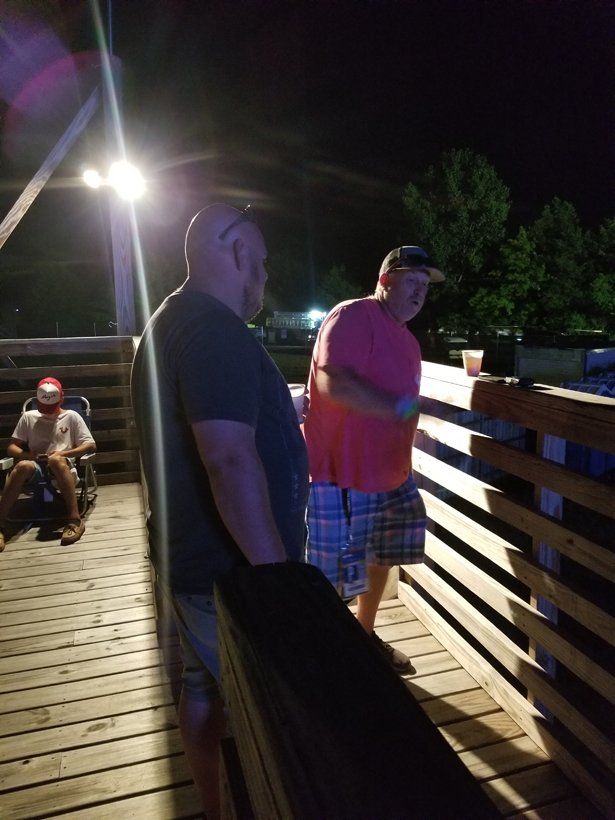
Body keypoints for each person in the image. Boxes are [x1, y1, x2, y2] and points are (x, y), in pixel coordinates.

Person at [131, 203, 309, 818]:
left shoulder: (170, 321)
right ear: (235, 253)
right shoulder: (214, 330)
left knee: (201, 686)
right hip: (230, 576)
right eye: (259, 262)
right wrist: (279, 582)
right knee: (279, 706)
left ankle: (215, 806)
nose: (263, 276)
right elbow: (229, 461)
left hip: (189, 560)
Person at [303, 245, 445, 673]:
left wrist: (411, 425)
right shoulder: (353, 316)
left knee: (383, 555)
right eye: (411, 281)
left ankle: (363, 637)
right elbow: (334, 384)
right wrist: (402, 410)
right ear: (385, 281)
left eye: (425, 286)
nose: (420, 292)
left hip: (390, 474)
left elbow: (400, 402)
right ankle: (325, 662)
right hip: (341, 474)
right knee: (332, 578)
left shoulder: (409, 342)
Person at [0, 377, 96, 550]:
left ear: (61, 398)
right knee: (22, 466)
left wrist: (63, 453)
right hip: (35, 465)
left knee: (55, 460)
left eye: (51, 407)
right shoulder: (29, 417)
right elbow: (12, 447)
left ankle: (74, 520)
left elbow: (90, 445)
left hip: (63, 467)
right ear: (38, 401)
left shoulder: (71, 416)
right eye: (44, 407)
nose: (48, 411)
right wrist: (30, 455)